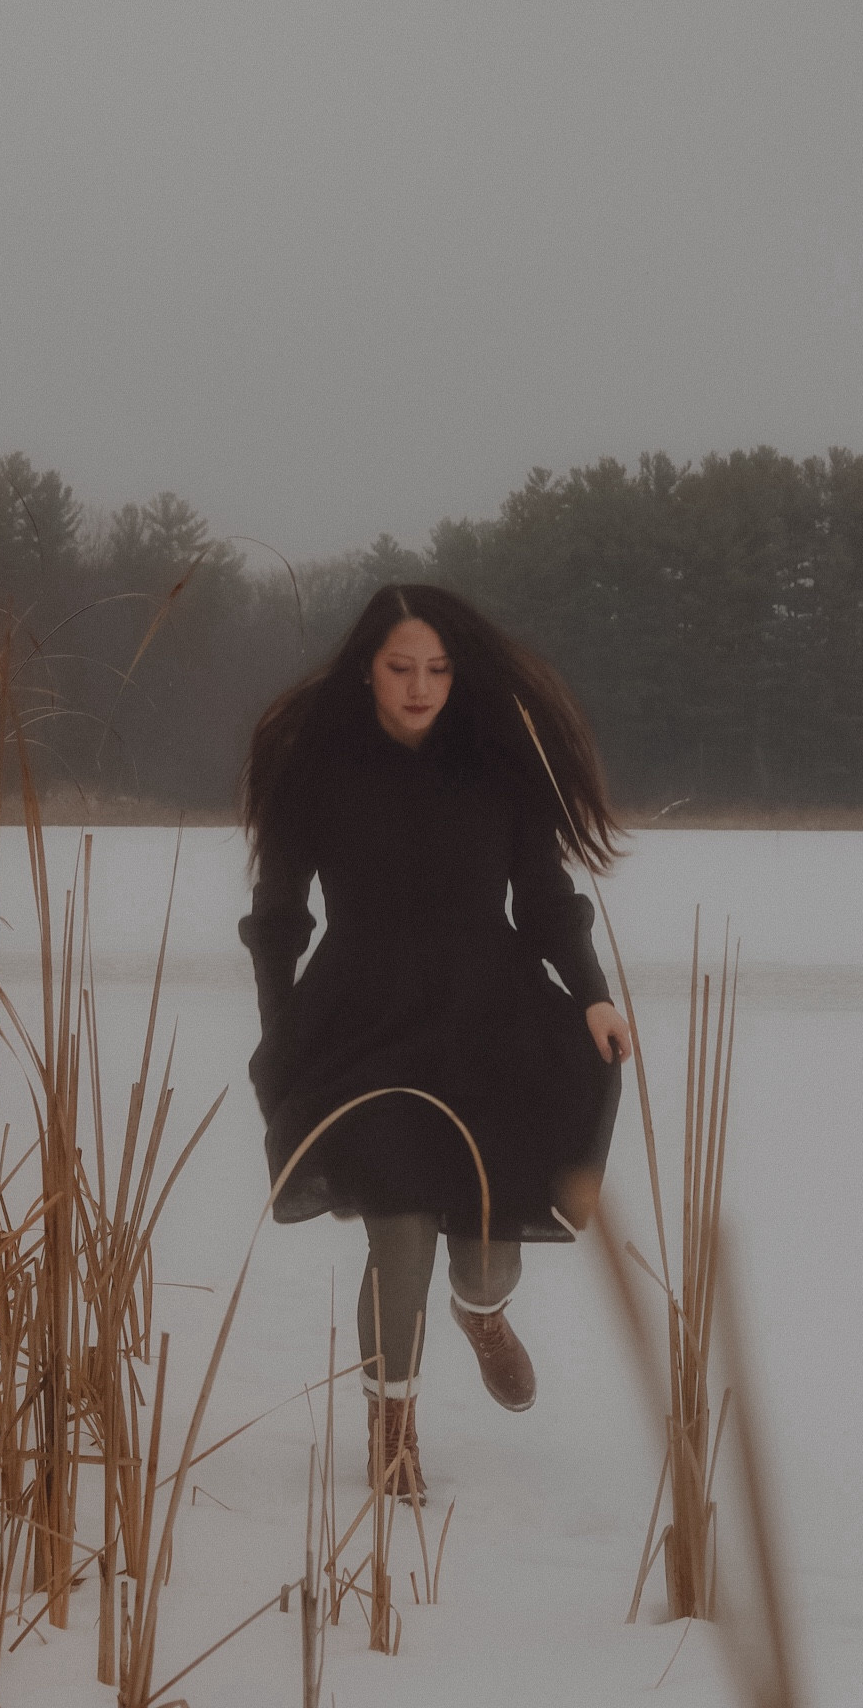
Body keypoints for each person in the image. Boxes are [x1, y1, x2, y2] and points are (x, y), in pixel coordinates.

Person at [238, 583, 632, 1503]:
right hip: (361, 1024)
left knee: (484, 1244)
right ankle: (392, 1427)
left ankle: (484, 1312)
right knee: (401, 1235)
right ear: (366, 670)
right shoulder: (315, 769)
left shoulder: (499, 766)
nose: (421, 687)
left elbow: (541, 898)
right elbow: (279, 916)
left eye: (439, 670)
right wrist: (278, 1025)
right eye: (401, 668)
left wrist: (594, 995)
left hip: (488, 1021)